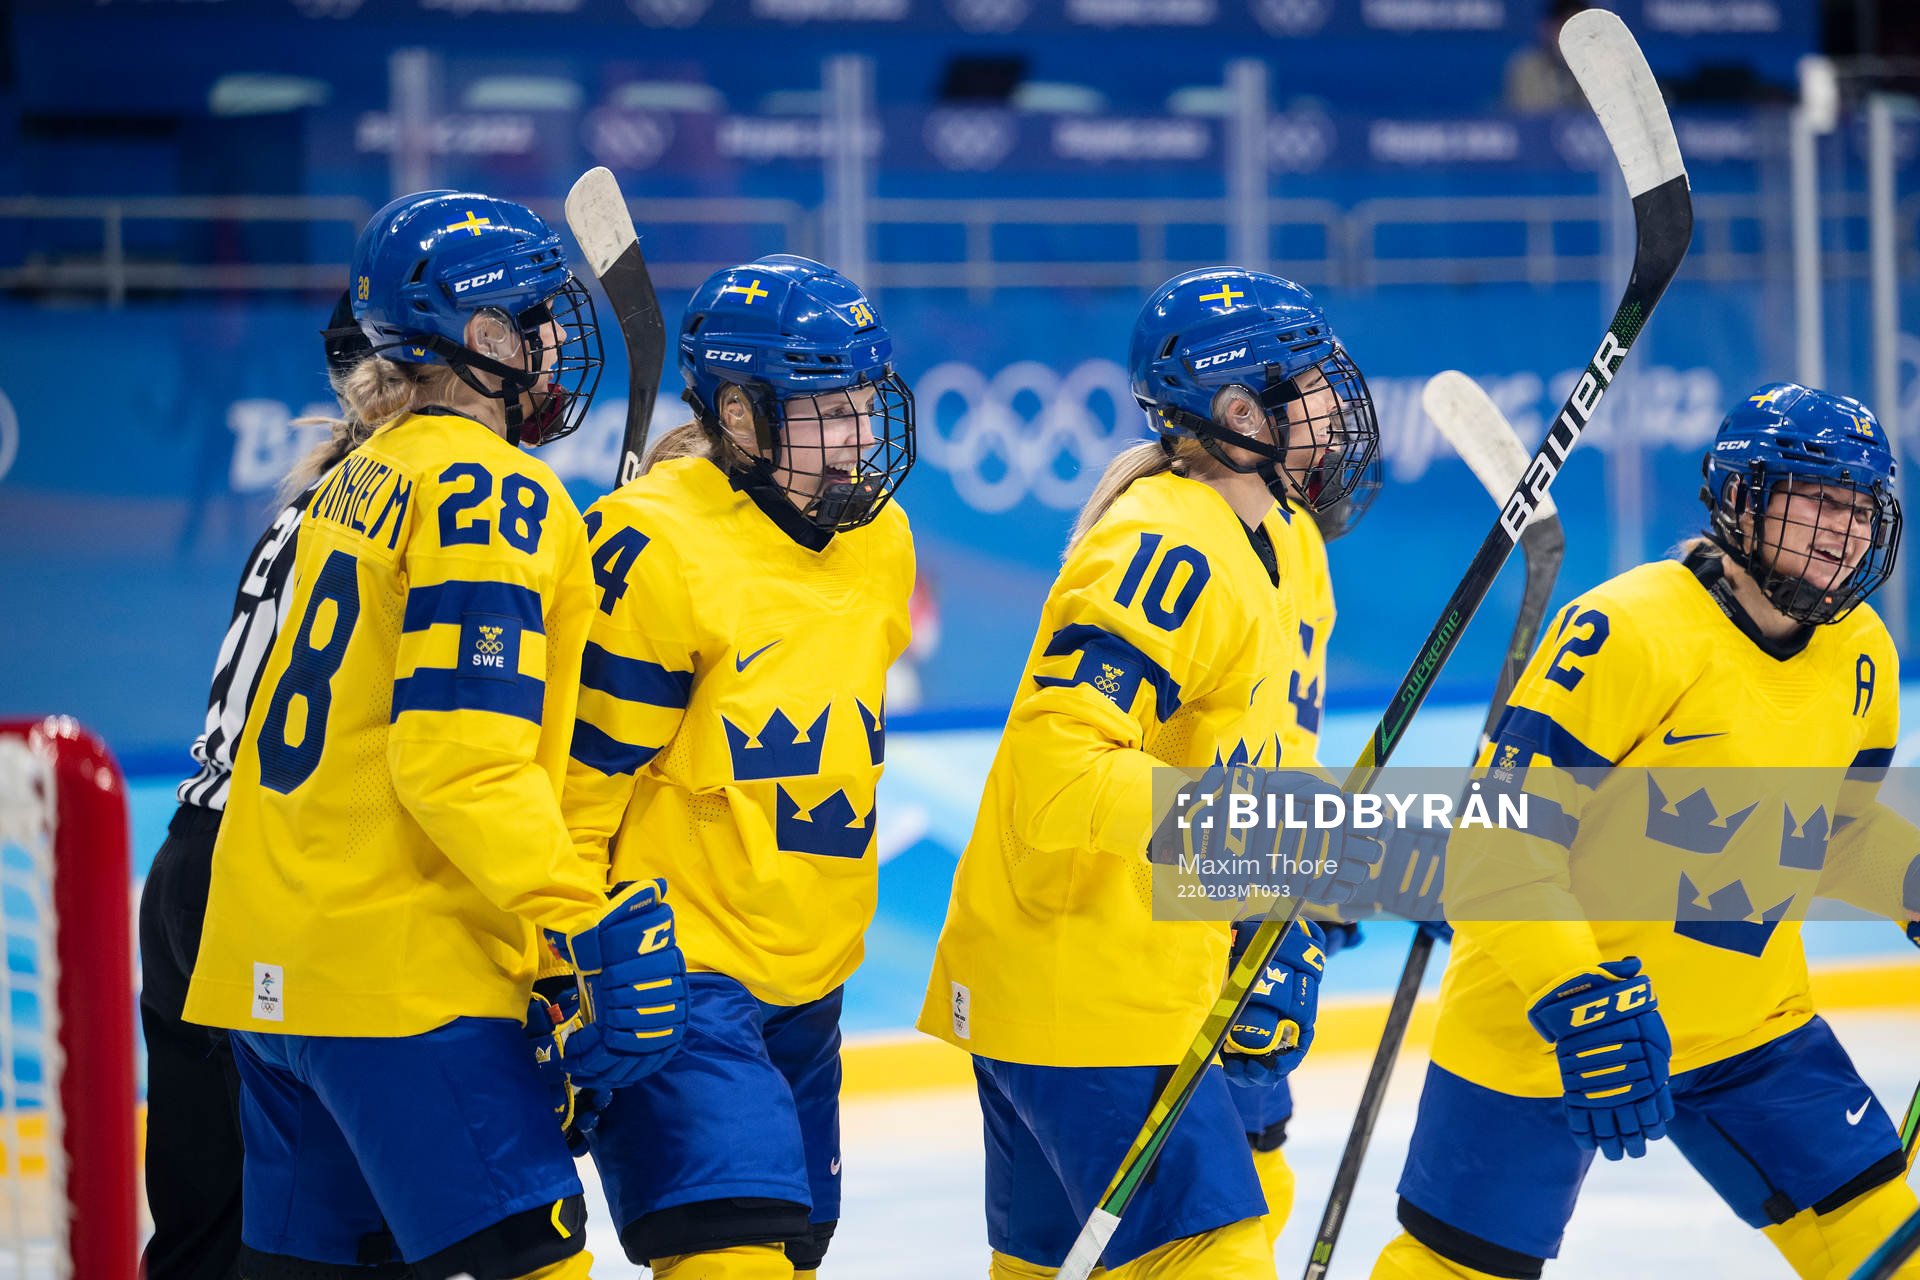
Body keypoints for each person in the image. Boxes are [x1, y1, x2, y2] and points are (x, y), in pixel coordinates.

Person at [181, 189, 686, 1280]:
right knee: (535, 1257)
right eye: (540, 319)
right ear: (486, 337)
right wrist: (574, 917)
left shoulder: (360, 468)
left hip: (271, 969)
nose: (558, 343)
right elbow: (457, 757)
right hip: (400, 981)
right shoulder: (496, 493)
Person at [1371, 383, 1918, 1280]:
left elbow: (1836, 834)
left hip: (1751, 1029)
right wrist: (1575, 996)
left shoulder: (1864, 653)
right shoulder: (1628, 629)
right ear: (1743, 499)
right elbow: (1497, 845)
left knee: (1894, 1252)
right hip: (1552, 1024)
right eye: (1819, 497)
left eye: (1862, 507)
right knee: (1453, 1270)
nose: (1844, 529)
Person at [916, 266, 1385, 1279]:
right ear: (1234, 408)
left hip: (1131, 971)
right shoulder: (1159, 542)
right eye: (1307, 383)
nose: (1335, 405)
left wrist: (1277, 900)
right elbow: (1058, 779)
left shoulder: (1293, 542)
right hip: (1079, 976)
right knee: (1215, 1253)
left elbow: (1266, 769)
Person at [563, 254, 919, 1280]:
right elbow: (579, 791)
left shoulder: (880, 540)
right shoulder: (658, 545)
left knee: (791, 1251)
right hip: (679, 974)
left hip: (813, 975)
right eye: (827, 411)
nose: (859, 435)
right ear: (741, 414)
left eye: (866, 404)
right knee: (729, 1258)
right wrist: (563, 960)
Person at [138, 293, 373, 1280]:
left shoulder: (320, 494)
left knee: (206, 1229)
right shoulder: (420, 507)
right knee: (337, 1236)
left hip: (196, 860)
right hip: (278, 881)